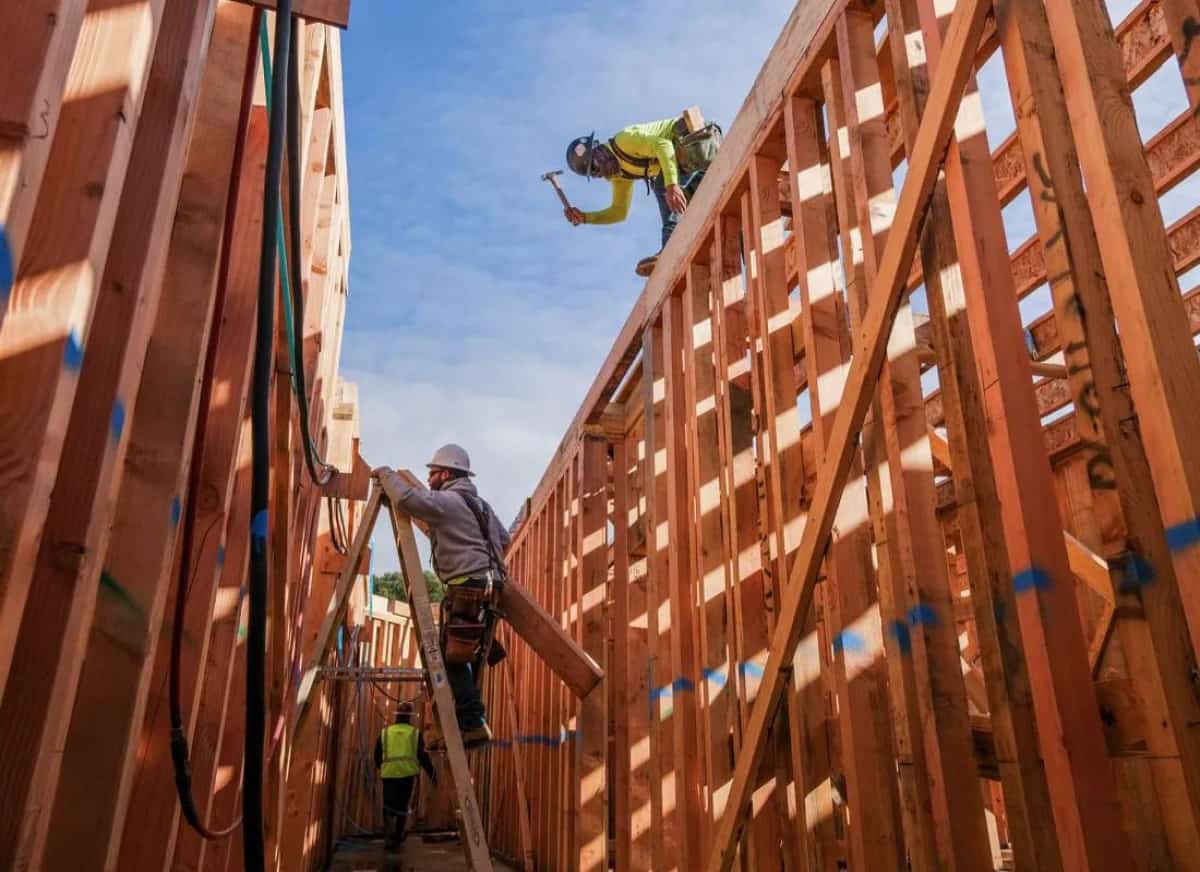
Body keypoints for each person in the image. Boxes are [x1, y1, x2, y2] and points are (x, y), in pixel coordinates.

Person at [375, 444, 510, 750]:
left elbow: (409, 499)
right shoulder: (482, 505)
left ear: (446, 473)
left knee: (448, 657)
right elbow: (504, 539)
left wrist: (386, 474)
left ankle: (473, 722)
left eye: (433, 473)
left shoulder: (447, 501)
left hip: (467, 585)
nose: (429, 477)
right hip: (493, 587)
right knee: (469, 652)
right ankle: (469, 725)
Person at [563, 115, 721, 276]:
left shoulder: (624, 141)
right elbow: (619, 212)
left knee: (662, 186)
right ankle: (695, 244)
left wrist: (671, 184)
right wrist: (586, 218)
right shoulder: (621, 176)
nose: (600, 171)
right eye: (595, 172)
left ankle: (671, 248)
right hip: (701, 161)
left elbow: (664, 145)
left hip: (699, 138)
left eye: (596, 163)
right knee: (683, 202)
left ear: (598, 150)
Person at [374, 701, 436, 849]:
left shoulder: (385, 733)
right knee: (401, 807)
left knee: (388, 807)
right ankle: (398, 838)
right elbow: (422, 756)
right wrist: (432, 774)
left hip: (388, 775)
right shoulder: (414, 734)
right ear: (409, 717)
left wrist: (382, 768)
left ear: (397, 716)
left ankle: (388, 839)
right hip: (406, 776)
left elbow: (376, 755)